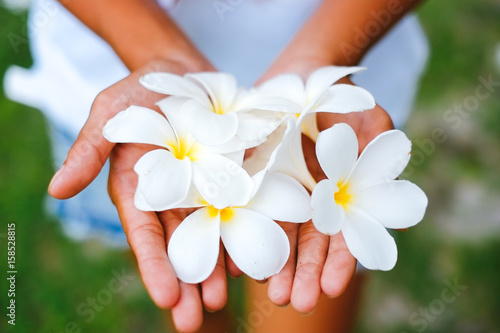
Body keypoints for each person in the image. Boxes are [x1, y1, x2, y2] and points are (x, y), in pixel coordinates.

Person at [4, 0, 428, 331]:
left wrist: (325, 51)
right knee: (187, 281)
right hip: (121, 76)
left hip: (330, 61)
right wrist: (152, 48)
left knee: (306, 288)